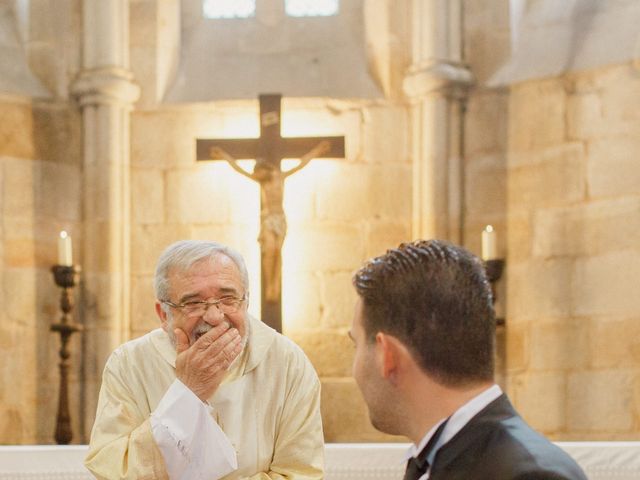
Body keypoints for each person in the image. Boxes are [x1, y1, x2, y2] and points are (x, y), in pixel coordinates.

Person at [349, 239, 587, 480]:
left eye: (355, 344)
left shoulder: (531, 476)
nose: (355, 369)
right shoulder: (446, 457)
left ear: (386, 355)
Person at [85, 240, 324, 479]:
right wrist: (187, 394)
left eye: (228, 299)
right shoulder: (129, 365)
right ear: (163, 314)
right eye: (193, 303)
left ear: (246, 302)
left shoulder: (288, 364)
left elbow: (300, 474)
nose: (214, 317)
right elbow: (114, 471)